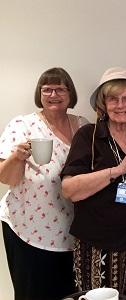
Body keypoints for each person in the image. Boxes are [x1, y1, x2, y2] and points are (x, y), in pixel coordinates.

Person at [60, 67, 126, 299]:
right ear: (103, 104)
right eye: (113, 99)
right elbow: (69, 190)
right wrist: (117, 170)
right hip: (96, 242)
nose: (120, 105)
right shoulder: (89, 136)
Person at [0, 67, 88, 300]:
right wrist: (17, 157)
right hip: (27, 228)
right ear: (39, 94)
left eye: (60, 88)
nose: (53, 94)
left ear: (71, 94)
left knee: (69, 293)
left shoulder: (82, 125)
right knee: (32, 293)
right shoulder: (21, 125)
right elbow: (6, 178)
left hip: (70, 229)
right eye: (46, 89)